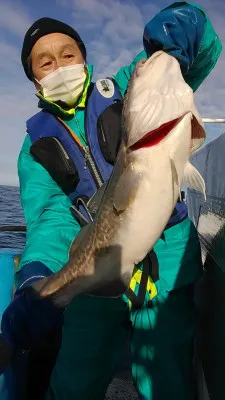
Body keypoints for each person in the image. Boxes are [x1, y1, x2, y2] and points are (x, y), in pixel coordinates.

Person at [0, 2, 222, 400]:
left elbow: (193, 54)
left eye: (68, 54)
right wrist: (38, 276)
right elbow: (51, 217)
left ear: (84, 59)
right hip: (94, 269)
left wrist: (186, 25)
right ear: (34, 80)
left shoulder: (127, 87)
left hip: (166, 262)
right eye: (45, 62)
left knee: (166, 376)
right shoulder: (34, 149)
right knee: (74, 379)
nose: (59, 66)